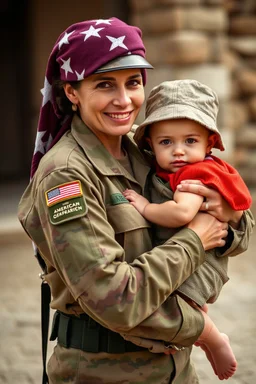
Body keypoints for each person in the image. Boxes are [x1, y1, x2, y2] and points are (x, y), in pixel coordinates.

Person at [17, 18, 254, 384]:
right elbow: (115, 298)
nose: (124, 100)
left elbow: (239, 230)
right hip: (104, 371)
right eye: (105, 84)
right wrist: (196, 240)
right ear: (72, 92)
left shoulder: (148, 148)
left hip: (175, 370)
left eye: (133, 83)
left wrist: (228, 217)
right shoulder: (66, 175)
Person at [123, 79, 253, 380]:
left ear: (209, 144)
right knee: (187, 307)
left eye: (190, 141)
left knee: (177, 307)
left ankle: (214, 339)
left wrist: (144, 207)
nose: (178, 151)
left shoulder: (195, 174)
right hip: (187, 259)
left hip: (202, 264)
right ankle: (201, 328)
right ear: (150, 144)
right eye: (166, 142)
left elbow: (181, 212)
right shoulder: (168, 169)